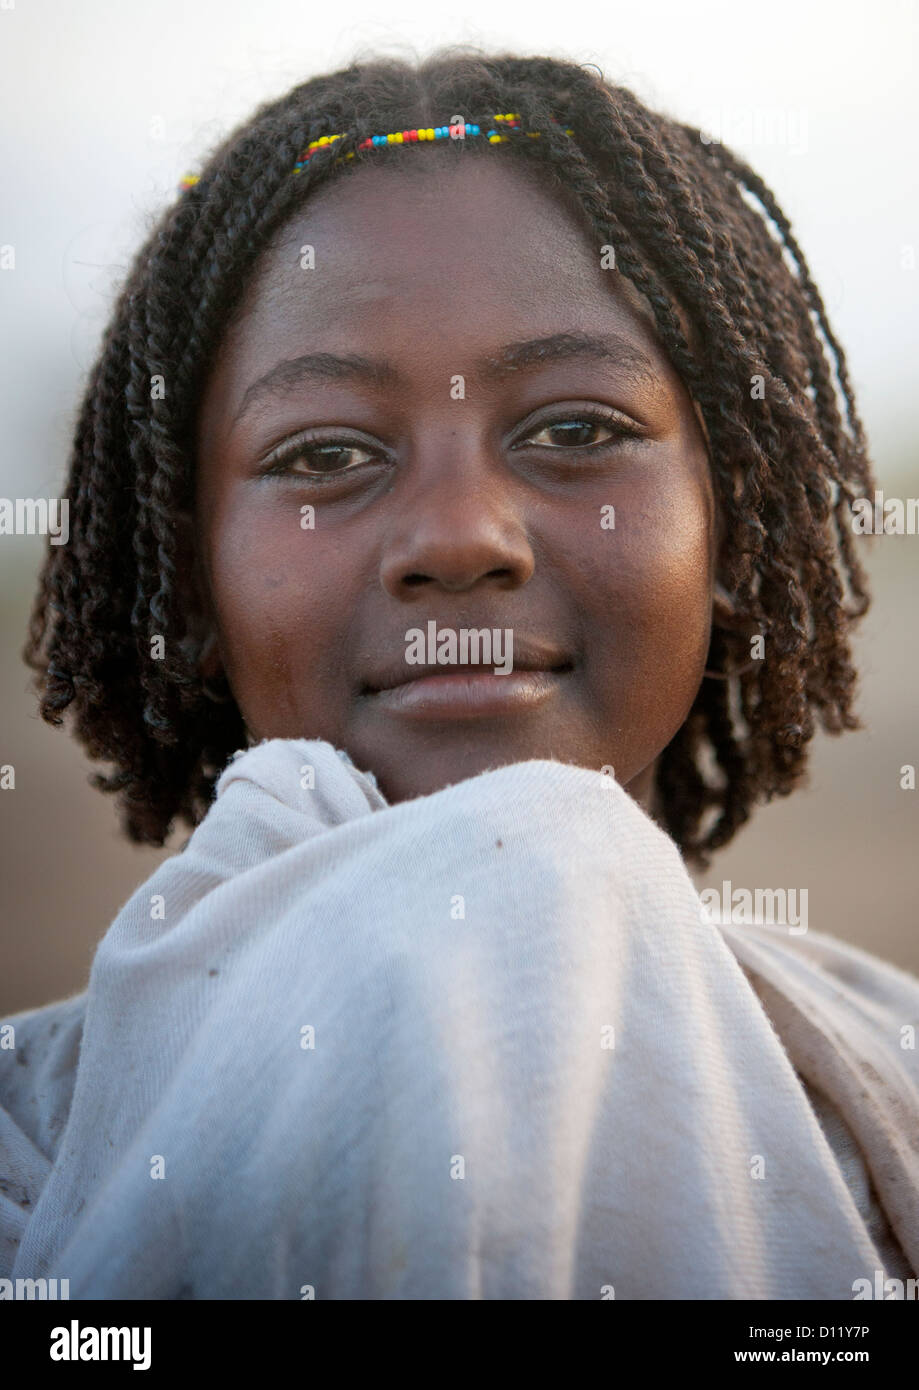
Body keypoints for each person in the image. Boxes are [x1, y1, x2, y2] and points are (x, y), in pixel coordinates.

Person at [2, 50, 917, 1300]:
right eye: (326, 451)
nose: (459, 536)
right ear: (185, 567)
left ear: (732, 522)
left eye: (577, 430)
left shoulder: (891, 1094)